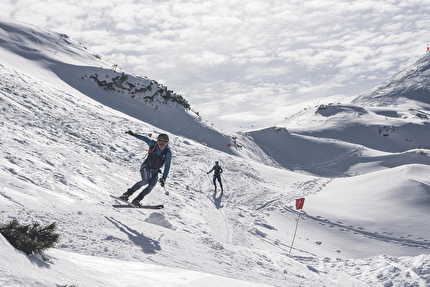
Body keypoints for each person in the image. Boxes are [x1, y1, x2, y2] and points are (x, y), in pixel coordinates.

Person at [119, 131, 172, 207]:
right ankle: (126, 195)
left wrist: (164, 178)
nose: (161, 145)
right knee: (145, 180)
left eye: (164, 143)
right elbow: (144, 138)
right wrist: (135, 135)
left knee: (151, 185)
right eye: (160, 142)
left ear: (167, 143)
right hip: (146, 166)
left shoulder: (168, 152)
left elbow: (167, 167)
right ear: (157, 141)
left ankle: (136, 200)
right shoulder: (153, 144)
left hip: (155, 171)